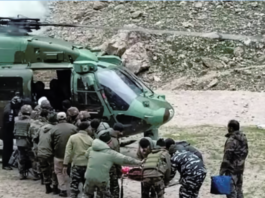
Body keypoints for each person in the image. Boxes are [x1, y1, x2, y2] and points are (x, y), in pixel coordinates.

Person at [84, 132, 142, 198]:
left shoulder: (91, 149)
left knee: (87, 194)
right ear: (108, 143)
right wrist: (139, 162)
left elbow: (86, 156)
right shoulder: (111, 153)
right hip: (102, 180)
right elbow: (125, 159)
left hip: (89, 177)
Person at [50, 112, 77, 197]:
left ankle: (63, 189)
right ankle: (74, 189)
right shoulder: (73, 127)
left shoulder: (54, 128)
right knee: (72, 171)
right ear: (66, 118)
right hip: (72, 155)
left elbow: (50, 142)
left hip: (58, 154)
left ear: (57, 119)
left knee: (59, 172)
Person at [63, 121, 93, 198]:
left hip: (76, 164)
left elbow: (68, 152)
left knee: (74, 186)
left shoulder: (72, 137)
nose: (91, 129)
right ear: (86, 129)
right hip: (87, 165)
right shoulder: (90, 139)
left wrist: (65, 164)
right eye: (89, 127)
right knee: (87, 187)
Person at [219, 120, 248, 198]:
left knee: (231, 193)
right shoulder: (243, 138)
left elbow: (227, 158)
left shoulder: (231, 140)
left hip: (231, 171)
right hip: (240, 169)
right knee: (239, 191)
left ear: (231, 128)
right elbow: (245, 152)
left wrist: (221, 172)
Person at [34, 113, 59, 194]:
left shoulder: (42, 128)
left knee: (44, 170)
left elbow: (35, 139)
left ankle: (47, 187)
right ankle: (55, 188)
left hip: (41, 152)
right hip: (50, 152)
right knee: (53, 170)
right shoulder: (55, 129)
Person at [13, 104, 36, 180]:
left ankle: (22, 174)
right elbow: (33, 133)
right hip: (29, 142)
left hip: (19, 142)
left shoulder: (16, 119)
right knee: (32, 158)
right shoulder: (32, 121)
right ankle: (36, 174)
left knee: (21, 158)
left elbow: (14, 131)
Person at [2, 94, 22, 170]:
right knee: (7, 148)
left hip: (8, 130)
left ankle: (8, 163)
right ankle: (5, 164)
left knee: (9, 148)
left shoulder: (10, 107)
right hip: (7, 132)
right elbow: (9, 123)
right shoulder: (9, 111)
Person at [29, 109, 49, 180]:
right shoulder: (47, 124)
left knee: (35, 159)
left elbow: (29, 134)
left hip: (35, 144)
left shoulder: (33, 124)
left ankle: (36, 174)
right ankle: (44, 175)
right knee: (45, 160)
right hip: (45, 144)